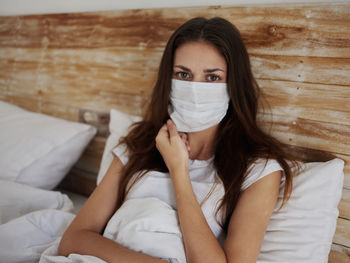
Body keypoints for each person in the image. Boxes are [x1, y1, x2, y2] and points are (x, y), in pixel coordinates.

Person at [58, 17, 295, 263]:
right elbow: (74, 239)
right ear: (168, 81)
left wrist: (179, 172)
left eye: (212, 77)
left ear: (234, 85)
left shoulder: (258, 169)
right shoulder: (139, 144)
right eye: (183, 74)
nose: (194, 88)